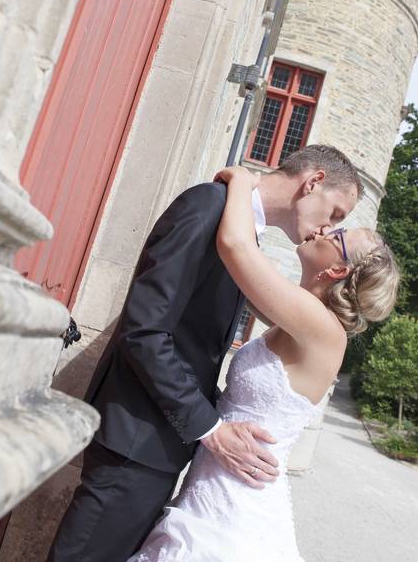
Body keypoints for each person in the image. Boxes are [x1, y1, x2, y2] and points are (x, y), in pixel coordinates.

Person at [47, 145, 364, 562]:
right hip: (136, 440)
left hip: (166, 449)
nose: (327, 227)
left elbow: (195, 347)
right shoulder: (208, 205)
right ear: (314, 182)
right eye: (336, 214)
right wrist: (210, 428)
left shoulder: (243, 234)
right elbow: (145, 331)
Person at [129, 165, 400, 560]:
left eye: (337, 234)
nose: (325, 230)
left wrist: (244, 180)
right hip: (218, 484)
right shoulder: (295, 313)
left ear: (337, 270)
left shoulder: (323, 329)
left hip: (238, 501)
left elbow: (237, 247)